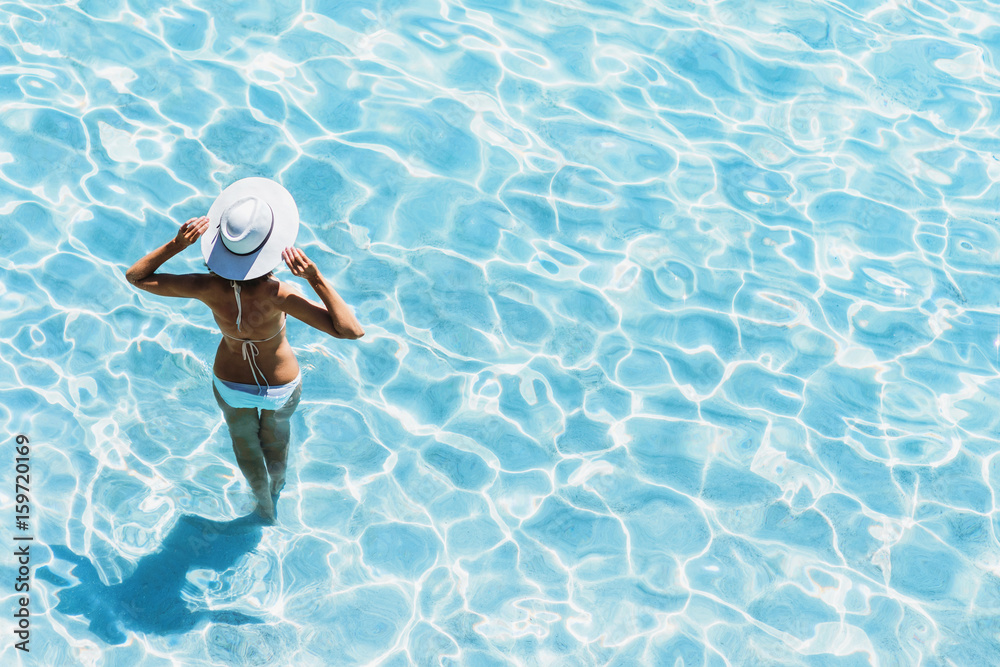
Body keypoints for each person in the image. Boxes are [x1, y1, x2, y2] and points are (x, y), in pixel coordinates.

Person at [126, 177, 364, 521]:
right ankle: (276, 497)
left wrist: (177, 244)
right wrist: (315, 278)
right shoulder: (278, 294)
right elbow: (350, 331)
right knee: (276, 439)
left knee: (243, 442)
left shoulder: (204, 286)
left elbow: (136, 277)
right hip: (279, 386)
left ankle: (261, 506)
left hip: (230, 383)